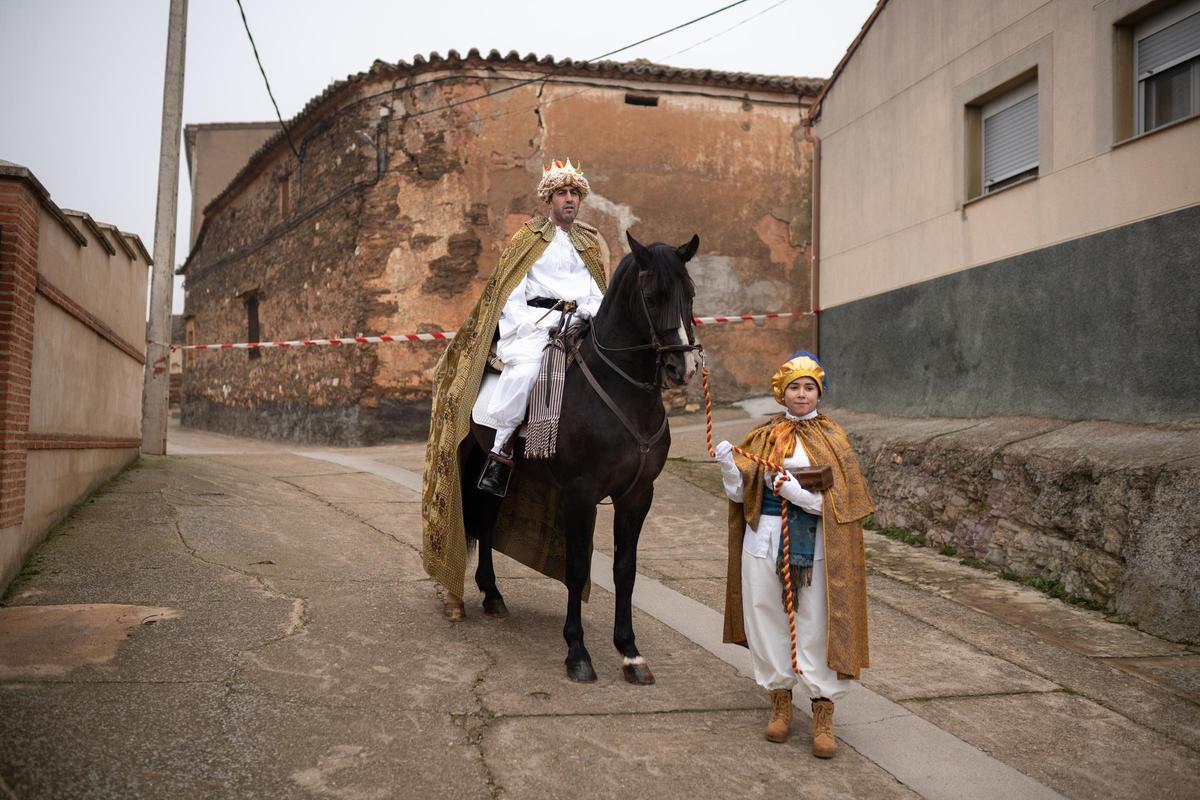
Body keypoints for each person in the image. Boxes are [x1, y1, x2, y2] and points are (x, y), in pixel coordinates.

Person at [421, 159, 610, 615]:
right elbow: (508, 295)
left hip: (581, 326)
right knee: (526, 375)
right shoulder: (528, 239)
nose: (570, 200)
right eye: (562, 193)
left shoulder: (590, 244)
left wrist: (594, 319)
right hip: (534, 325)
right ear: (548, 199)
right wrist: (536, 326)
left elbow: (598, 292)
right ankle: (502, 451)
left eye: (576, 194)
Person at [715, 351, 873, 757]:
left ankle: (822, 712)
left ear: (819, 392)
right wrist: (729, 467)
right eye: (794, 387)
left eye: (808, 387)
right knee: (765, 615)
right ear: (780, 393)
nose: (801, 395)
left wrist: (796, 494)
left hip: (816, 547)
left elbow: (842, 507)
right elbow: (739, 496)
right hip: (762, 541)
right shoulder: (763, 436)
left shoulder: (833, 439)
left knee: (815, 622)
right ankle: (780, 704)